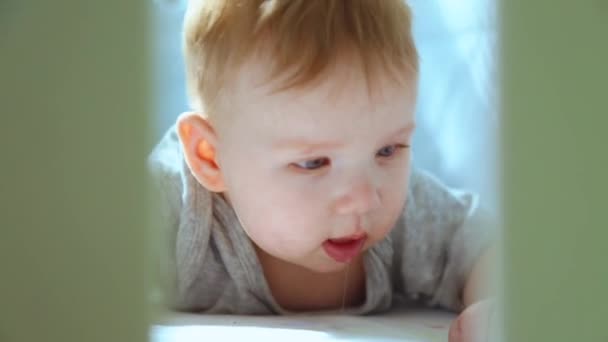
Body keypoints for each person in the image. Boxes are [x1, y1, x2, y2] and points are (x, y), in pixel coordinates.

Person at [149, 1, 497, 341]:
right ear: (210, 157)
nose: (364, 199)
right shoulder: (173, 203)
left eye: (387, 150)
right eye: (314, 163)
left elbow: (478, 243)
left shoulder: (407, 211)